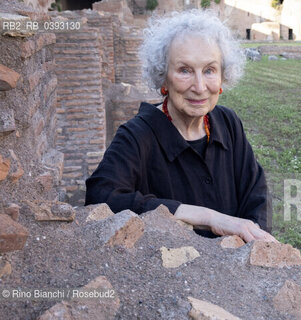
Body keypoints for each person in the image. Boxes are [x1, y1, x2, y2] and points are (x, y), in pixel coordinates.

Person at [85, 9, 277, 243]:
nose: (199, 86)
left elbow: (256, 194)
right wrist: (208, 217)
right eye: (185, 70)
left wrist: (251, 240)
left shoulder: (228, 122)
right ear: (163, 77)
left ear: (222, 76)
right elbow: (100, 198)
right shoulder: (137, 135)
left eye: (209, 70)